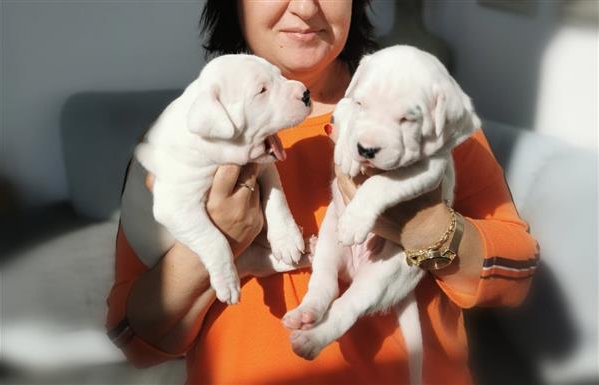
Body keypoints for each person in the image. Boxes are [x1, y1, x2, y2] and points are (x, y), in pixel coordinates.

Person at [106, 1, 539, 384]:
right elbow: (135, 339)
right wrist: (222, 241)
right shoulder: (179, 141)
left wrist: (428, 229)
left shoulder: (420, 109)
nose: (306, 9)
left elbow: (515, 275)